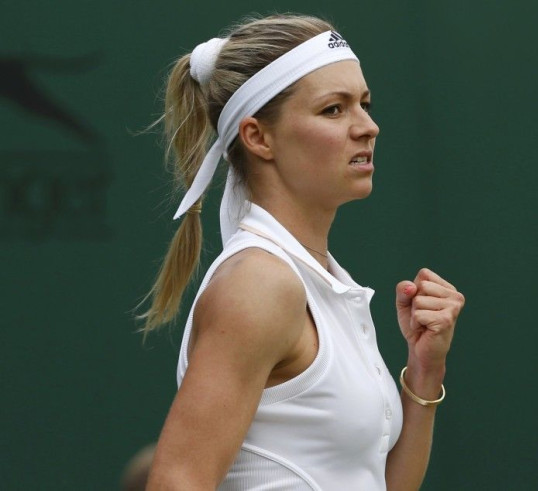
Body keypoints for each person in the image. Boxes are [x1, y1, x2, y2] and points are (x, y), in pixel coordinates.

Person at [140, 13, 465, 490]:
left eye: (365, 104)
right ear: (257, 137)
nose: (368, 127)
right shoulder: (260, 284)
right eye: (334, 109)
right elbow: (176, 482)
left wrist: (423, 372)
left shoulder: (314, 281)